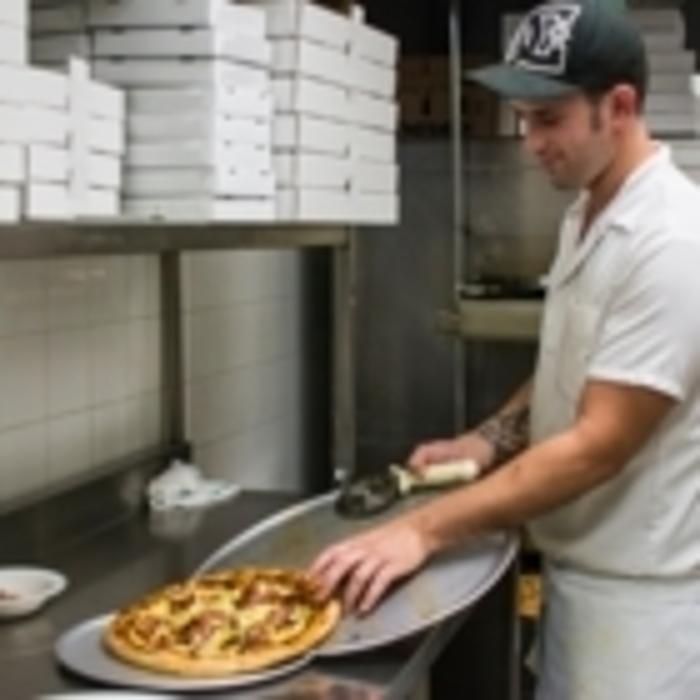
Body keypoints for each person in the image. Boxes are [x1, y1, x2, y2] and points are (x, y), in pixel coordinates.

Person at [310, 1, 700, 697]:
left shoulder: (671, 241)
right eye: (524, 119)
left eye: (548, 119)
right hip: (582, 587)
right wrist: (485, 441)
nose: (530, 143)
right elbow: (567, 365)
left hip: (645, 622)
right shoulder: (587, 213)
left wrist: (424, 530)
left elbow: (598, 445)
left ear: (619, 107)